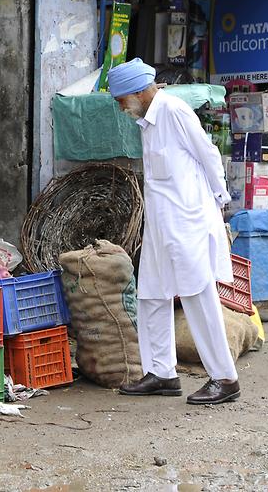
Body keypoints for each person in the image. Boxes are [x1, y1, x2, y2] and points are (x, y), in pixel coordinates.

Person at [110, 58, 240, 405]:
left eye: (120, 99)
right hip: (161, 225)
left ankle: (225, 378)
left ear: (138, 91)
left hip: (188, 223)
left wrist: (219, 202)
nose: (120, 107)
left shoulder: (173, 111)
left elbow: (208, 155)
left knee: (198, 296)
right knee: (152, 294)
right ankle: (162, 373)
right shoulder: (146, 120)